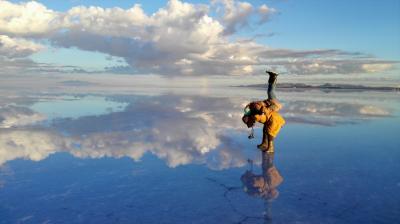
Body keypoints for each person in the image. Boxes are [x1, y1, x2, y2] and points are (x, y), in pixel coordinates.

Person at [242, 70, 285, 153]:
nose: (252, 124)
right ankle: (265, 143)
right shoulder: (252, 111)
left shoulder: (255, 111)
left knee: (270, 91)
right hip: (270, 106)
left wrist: (263, 111)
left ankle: (274, 76)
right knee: (270, 91)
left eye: (250, 123)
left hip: (273, 105)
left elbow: (263, 111)